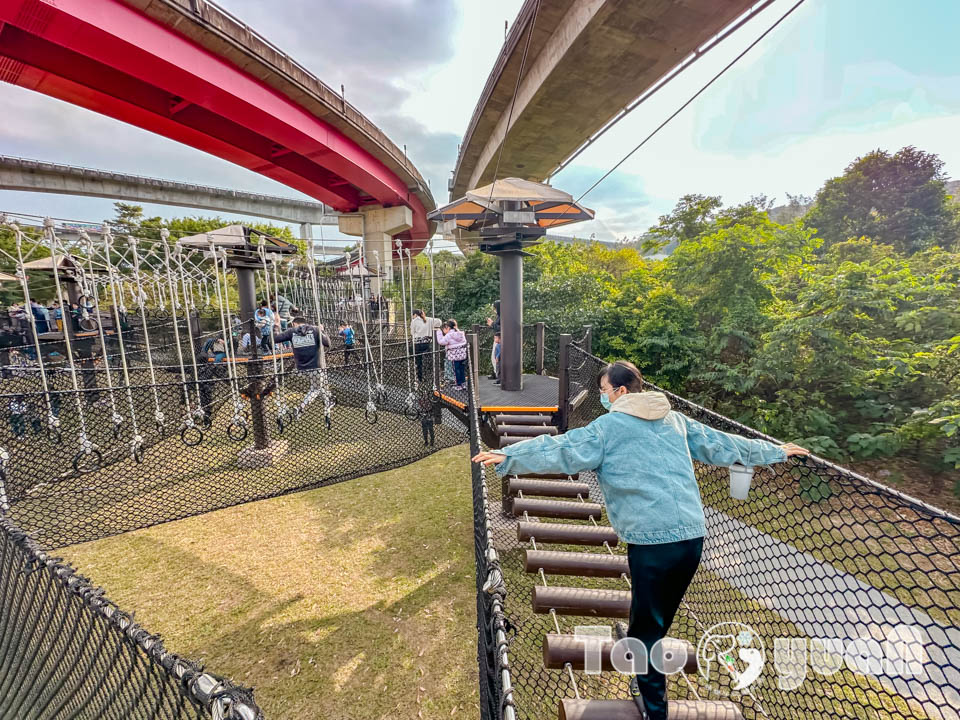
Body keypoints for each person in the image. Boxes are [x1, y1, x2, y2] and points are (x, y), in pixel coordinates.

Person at [472, 361, 809, 719]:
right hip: (692, 539)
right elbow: (721, 443)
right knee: (656, 616)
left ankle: (653, 708)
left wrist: (509, 455)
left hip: (651, 544)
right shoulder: (675, 420)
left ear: (620, 392)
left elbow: (563, 447)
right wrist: (773, 451)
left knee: (649, 630)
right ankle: (639, 648)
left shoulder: (608, 427)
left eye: (603, 390)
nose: (602, 397)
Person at [274, 317, 332, 416]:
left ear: (294, 324)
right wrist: (322, 330)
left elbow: (275, 339)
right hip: (316, 367)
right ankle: (301, 407)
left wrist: (276, 326)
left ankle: (328, 401)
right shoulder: (315, 330)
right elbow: (327, 344)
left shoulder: (291, 332)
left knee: (318, 384)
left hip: (301, 368)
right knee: (316, 388)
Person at [436, 319, 467, 389]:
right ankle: (463, 383)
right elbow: (464, 341)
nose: (443, 331)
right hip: (462, 354)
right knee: (462, 369)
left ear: (448, 328)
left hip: (454, 355)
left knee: (456, 370)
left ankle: (458, 385)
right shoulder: (460, 333)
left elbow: (441, 342)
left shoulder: (449, 335)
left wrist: (439, 333)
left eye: (444, 329)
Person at [411, 309, 440, 383]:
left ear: (415, 315)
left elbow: (412, 332)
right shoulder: (429, 320)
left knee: (418, 361)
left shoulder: (414, 321)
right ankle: (430, 376)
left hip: (417, 343)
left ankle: (420, 378)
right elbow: (439, 322)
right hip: (427, 343)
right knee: (428, 360)